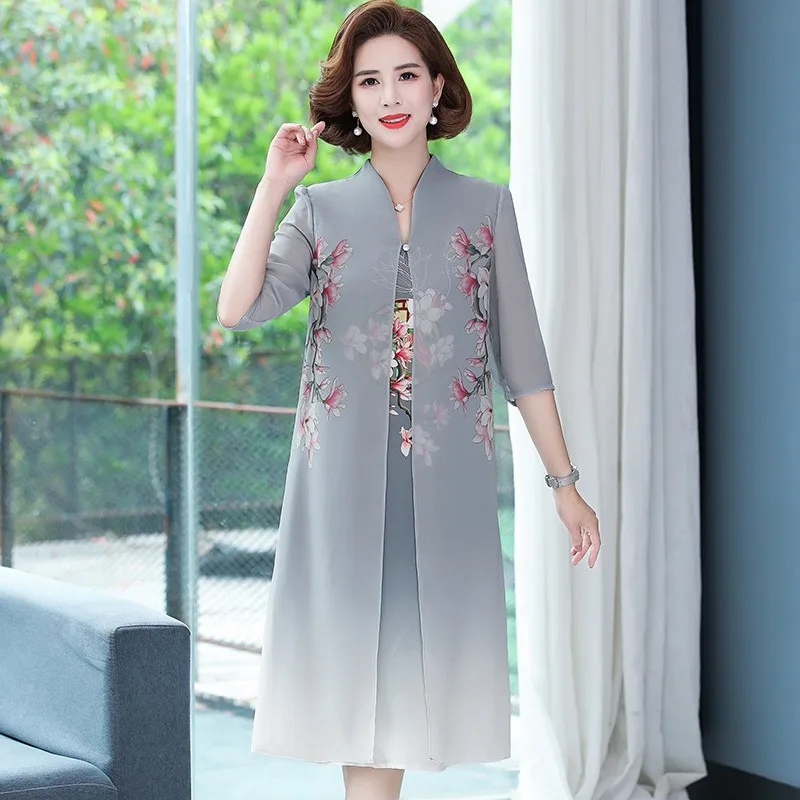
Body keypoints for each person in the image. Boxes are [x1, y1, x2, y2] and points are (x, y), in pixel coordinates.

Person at [217, 1, 600, 798]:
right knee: (358, 698)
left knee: (412, 690)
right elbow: (237, 307)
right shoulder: (320, 211)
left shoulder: (487, 208)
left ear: (436, 89)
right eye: (369, 81)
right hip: (340, 489)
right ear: (350, 102)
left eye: (406, 75)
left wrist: (564, 484)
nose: (389, 94)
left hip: (445, 486)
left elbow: (524, 360)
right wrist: (274, 185)